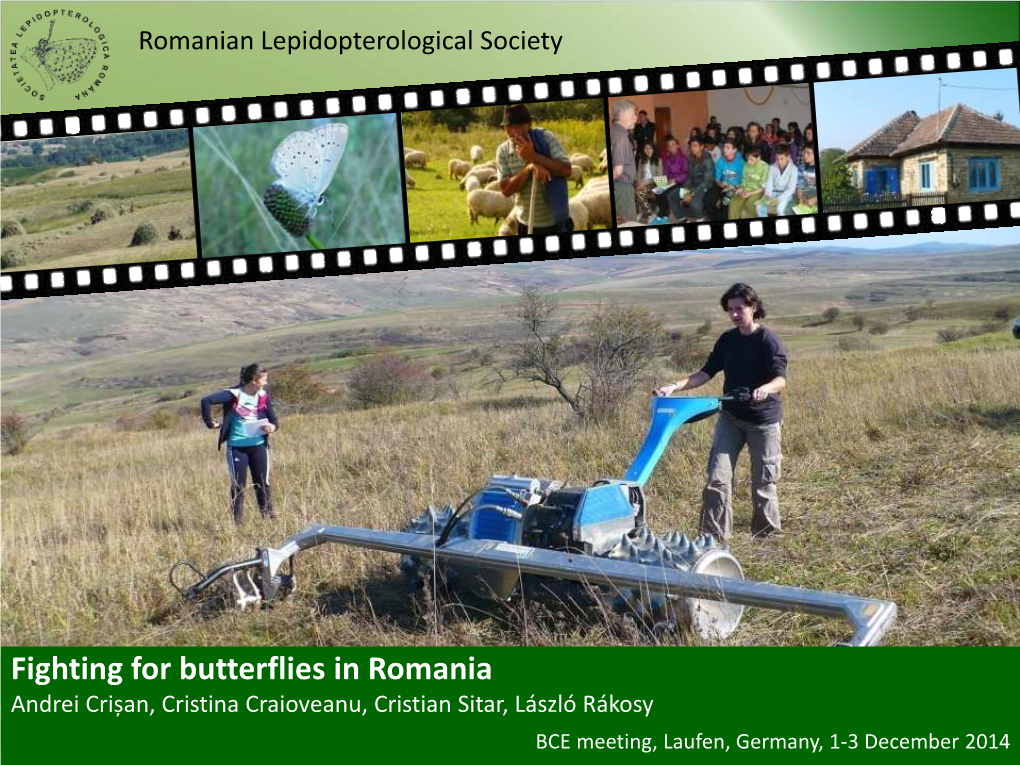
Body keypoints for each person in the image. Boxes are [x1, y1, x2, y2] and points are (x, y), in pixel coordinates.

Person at [653, 283, 787, 543]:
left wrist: (765, 389)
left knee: (763, 483)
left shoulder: (768, 340)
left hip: (763, 422)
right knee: (717, 479)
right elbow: (704, 373)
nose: (735, 314)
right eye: (730, 310)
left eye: (740, 308)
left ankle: (767, 538)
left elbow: (780, 379)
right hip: (731, 419)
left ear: (753, 307)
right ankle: (713, 540)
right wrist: (674, 386)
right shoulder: (727, 340)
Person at [201, 363, 280, 524]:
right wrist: (210, 423)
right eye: (264, 378)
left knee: (262, 483)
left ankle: (268, 518)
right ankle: (237, 524)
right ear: (254, 379)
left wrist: (272, 427)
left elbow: (274, 420)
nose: (266, 381)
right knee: (238, 486)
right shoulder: (233, 394)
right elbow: (206, 401)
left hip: (259, 446)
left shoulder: (263, 395)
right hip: (236, 448)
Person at [496, 104, 574, 235]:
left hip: (556, 224)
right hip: (525, 224)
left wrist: (533, 156)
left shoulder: (546, 138)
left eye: (518, 126)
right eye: (508, 127)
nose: (512, 132)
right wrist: (530, 168)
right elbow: (506, 190)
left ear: (529, 124)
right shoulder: (503, 151)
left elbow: (566, 170)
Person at [670, 136, 714, 221]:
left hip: (705, 187)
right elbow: (689, 176)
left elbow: (706, 182)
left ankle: (700, 218)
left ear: (701, 147)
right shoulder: (691, 157)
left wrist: (692, 193)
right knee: (672, 196)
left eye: (695, 146)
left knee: (693, 203)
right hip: (693, 185)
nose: (692, 148)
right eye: (691, 146)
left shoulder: (707, 160)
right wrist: (685, 189)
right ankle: (682, 219)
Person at [609, 99, 639, 223]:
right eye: (633, 114)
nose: (636, 118)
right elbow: (617, 171)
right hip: (623, 188)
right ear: (622, 115)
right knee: (628, 222)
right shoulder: (621, 136)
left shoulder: (613, 130)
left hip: (620, 187)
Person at [704, 139, 744, 222]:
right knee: (708, 199)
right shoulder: (720, 161)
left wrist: (732, 187)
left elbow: (744, 181)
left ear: (734, 150)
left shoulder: (741, 162)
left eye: (728, 147)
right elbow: (717, 179)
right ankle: (715, 218)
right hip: (722, 185)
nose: (724, 149)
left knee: (725, 202)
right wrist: (721, 184)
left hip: (736, 188)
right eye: (724, 147)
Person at [755, 144, 799, 217]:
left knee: (779, 209)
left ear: (788, 157)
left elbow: (791, 189)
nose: (779, 161)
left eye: (782, 159)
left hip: (786, 194)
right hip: (773, 193)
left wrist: (778, 199)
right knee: (759, 206)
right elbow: (769, 185)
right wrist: (768, 196)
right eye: (777, 158)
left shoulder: (794, 169)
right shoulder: (772, 167)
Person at [728, 147, 768, 219]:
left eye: (751, 160)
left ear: (758, 158)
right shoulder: (746, 165)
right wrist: (741, 189)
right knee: (733, 203)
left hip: (757, 191)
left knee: (750, 204)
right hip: (745, 189)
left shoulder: (764, 167)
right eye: (747, 159)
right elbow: (743, 180)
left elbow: (762, 187)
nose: (748, 162)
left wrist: (750, 193)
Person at [657, 135, 689, 219]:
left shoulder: (683, 158)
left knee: (665, 193)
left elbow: (685, 174)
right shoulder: (668, 159)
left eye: (673, 144)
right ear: (667, 148)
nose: (671, 147)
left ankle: (662, 215)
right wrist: (662, 181)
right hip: (670, 182)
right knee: (657, 190)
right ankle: (663, 213)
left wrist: (675, 179)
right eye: (669, 145)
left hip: (680, 183)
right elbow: (665, 173)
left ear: (678, 146)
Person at [635, 142, 664, 223]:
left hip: (655, 183)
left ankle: (654, 212)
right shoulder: (641, 160)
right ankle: (649, 212)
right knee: (638, 192)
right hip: (643, 183)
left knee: (642, 190)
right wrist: (639, 182)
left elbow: (659, 176)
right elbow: (638, 173)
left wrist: (645, 182)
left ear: (654, 149)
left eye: (650, 148)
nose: (648, 150)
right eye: (646, 148)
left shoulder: (658, 160)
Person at [794, 145, 818, 214]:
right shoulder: (801, 167)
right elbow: (799, 186)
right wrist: (800, 200)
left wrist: (815, 199)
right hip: (806, 198)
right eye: (804, 152)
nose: (805, 155)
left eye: (808, 153)